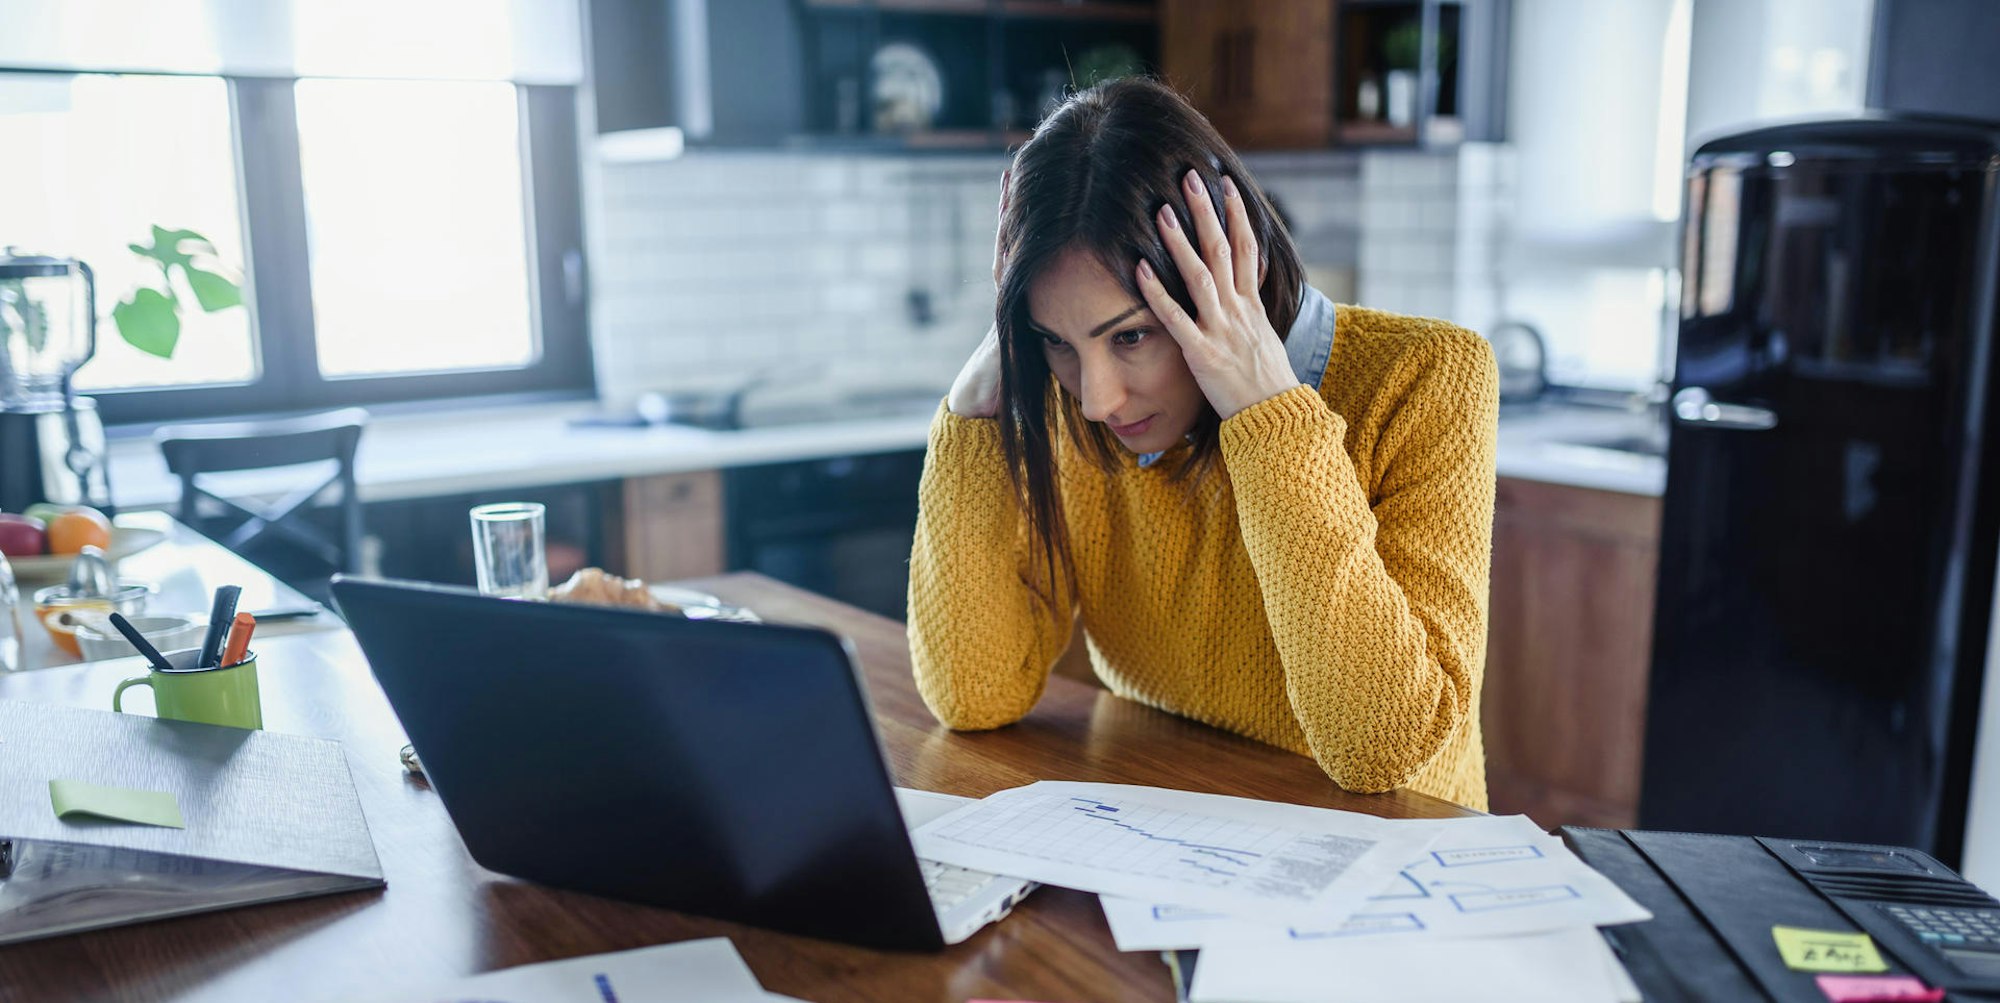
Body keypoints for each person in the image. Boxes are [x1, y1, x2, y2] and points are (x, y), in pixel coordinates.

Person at [908, 78, 1499, 810]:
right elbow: (974, 693)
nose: (1097, 400)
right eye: (1055, 341)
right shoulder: (1073, 405)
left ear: (1226, 280)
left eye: (1131, 336)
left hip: (1393, 874)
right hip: (1173, 838)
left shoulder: (1428, 377)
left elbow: (1380, 748)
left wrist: (1269, 411)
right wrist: (974, 406)